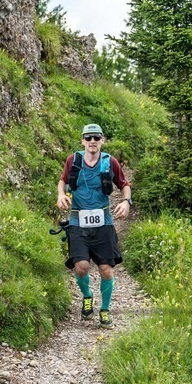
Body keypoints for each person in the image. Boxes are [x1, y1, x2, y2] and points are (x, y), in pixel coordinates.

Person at [56, 123, 132, 328]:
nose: (92, 142)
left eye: (96, 138)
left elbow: (124, 185)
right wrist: (61, 194)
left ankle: (105, 310)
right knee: (80, 268)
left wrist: (126, 202)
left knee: (106, 270)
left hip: (103, 223)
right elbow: (62, 181)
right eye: (88, 138)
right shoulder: (73, 160)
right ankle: (87, 296)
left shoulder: (110, 162)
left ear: (102, 141)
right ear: (82, 140)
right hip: (77, 222)